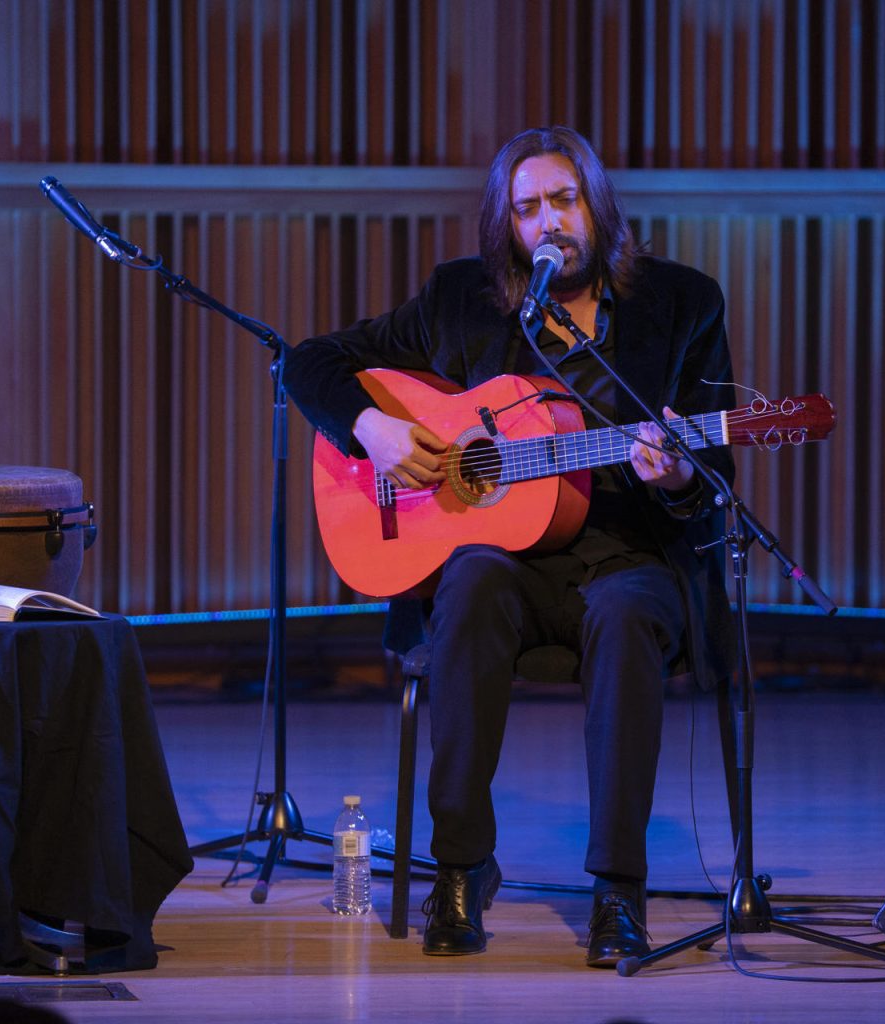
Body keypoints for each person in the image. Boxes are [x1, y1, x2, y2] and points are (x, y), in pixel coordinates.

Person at [284, 125, 736, 967]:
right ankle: (459, 868)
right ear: (508, 228)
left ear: (596, 207)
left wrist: (675, 475)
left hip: (627, 558)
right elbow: (309, 362)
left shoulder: (683, 304)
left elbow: (714, 480)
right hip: (503, 562)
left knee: (632, 615)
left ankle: (617, 893)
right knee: (470, 585)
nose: (548, 224)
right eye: (527, 209)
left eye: (563, 201)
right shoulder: (464, 299)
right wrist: (372, 427)